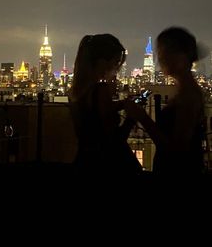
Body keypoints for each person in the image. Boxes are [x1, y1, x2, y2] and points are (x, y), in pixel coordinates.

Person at [125, 27, 205, 175]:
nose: (159, 58)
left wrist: (142, 117)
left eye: (163, 52)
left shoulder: (188, 94)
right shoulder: (184, 89)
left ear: (180, 56)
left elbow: (176, 149)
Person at [69, 34, 142, 175]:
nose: (117, 69)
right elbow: (113, 140)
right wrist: (132, 117)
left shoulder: (78, 90)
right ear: (103, 63)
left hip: (86, 161)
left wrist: (120, 105)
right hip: (109, 164)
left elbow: (93, 120)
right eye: (115, 63)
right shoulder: (100, 89)